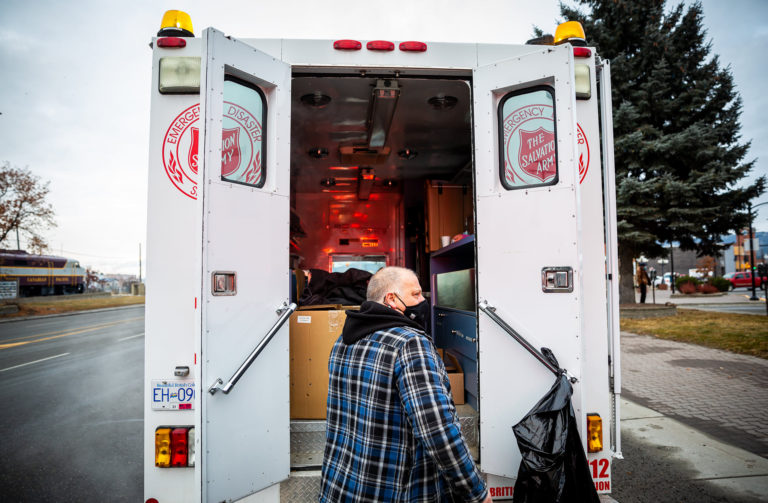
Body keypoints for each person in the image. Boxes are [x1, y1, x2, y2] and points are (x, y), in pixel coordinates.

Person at [319, 266, 490, 503]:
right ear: (391, 299)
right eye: (416, 294)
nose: (423, 301)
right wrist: (476, 492)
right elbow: (438, 432)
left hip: (341, 487)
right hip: (394, 490)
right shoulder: (410, 344)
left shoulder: (343, 341)